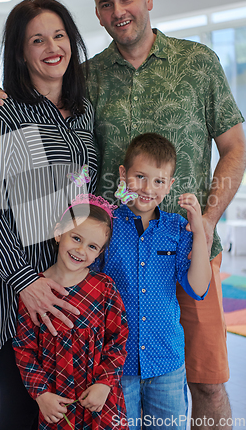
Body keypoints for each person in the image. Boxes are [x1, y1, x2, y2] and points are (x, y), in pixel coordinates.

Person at [0, 0, 246, 429]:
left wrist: (206, 224)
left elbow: (236, 148)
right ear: (97, 16)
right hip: (98, 259)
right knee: (82, 391)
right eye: (105, 3)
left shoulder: (195, 63)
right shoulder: (87, 79)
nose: (118, 11)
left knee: (206, 382)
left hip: (182, 250)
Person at [0, 0, 99, 430]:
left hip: (68, 279)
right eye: (37, 39)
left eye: (59, 35)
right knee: (22, 413)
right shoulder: (1, 114)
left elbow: (91, 195)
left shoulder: (83, 111)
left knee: (65, 414)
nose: (52, 47)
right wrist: (26, 283)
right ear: (21, 52)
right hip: (16, 287)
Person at [101, 133, 211, 429]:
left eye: (159, 181)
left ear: (170, 185)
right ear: (123, 175)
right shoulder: (106, 224)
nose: (149, 189)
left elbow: (198, 288)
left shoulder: (177, 229)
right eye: (140, 177)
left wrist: (199, 231)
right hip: (116, 364)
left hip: (167, 363)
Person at [12, 194, 129, 430]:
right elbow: (24, 349)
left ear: (99, 253)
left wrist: (105, 384)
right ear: (58, 233)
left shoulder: (105, 288)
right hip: (56, 405)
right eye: (76, 238)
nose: (81, 250)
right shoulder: (36, 292)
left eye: (92, 246)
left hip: (99, 402)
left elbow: (118, 341)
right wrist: (41, 394)